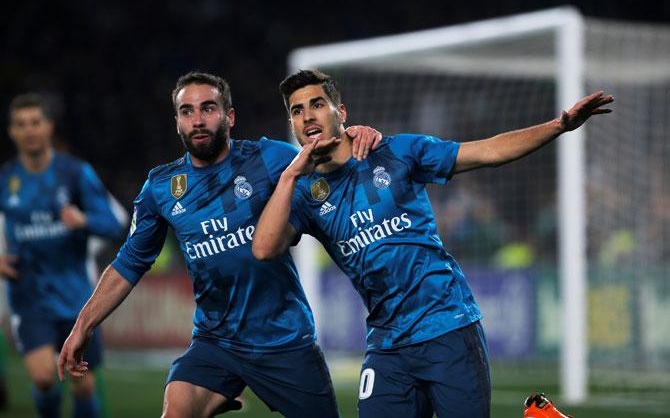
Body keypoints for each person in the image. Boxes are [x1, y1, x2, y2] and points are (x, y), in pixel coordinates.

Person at [252, 70, 613, 417]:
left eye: (316, 104)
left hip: (447, 326)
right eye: (297, 111)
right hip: (387, 343)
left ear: (340, 112)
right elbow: (265, 248)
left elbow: (487, 151)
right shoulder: (303, 194)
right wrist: (289, 176)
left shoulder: (398, 153)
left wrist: (560, 125)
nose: (307, 116)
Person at [57, 71, 381, 417]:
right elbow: (129, 263)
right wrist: (83, 325)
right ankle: (216, 393)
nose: (197, 120)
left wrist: (357, 134)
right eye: (187, 111)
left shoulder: (269, 158)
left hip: (284, 341)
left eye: (208, 109)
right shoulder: (162, 188)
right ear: (177, 121)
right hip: (216, 341)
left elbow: (329, 159)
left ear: (229, 116)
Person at [0, 93, 128, 417]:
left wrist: (84, 220)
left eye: (35, 123)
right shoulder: (5, 180)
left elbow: (115, 223)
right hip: (28, 295)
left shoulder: (75, 173)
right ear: (11, 131)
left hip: (76, 297)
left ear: (48, 127)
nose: (29, 130)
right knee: (44, 378)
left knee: (83, 386)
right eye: (21, 124)